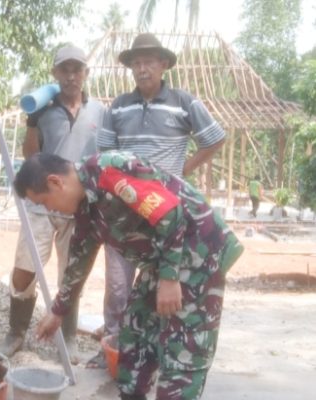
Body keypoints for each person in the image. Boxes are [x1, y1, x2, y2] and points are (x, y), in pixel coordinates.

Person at [15, 151, 243, 400]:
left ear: (55, 182)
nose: (49, 209)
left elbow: (171, 215)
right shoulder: (84, 205)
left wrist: (168, 278)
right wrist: (58, 310)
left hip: (199, 253)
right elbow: (80, 258)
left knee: (183, 349)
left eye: (44, 202)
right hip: (164, 260)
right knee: (136, 333)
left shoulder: (109, 172)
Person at [91, 33, 226, 369]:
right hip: (124, 213)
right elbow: (106, 156)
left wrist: (184, 170)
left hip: (168, 213)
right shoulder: (119, 106)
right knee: (119, 286)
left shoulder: (183, 102)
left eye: (149, 61)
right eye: (136, 62)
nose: (142, 68)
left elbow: (214, 138)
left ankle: (157, 354)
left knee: (165, 286)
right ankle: (115, 347)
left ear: (163, 65)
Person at [0, 44, 106, 364]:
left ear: (86, 73)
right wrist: (32, 121)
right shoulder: (43, 110)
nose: (71, 76)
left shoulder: (100, 112)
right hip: (42, 205)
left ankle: (68, 337)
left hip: (79, 205)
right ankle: (16, 333)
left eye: (77, 69)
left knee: (71, 273)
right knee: (24, 271)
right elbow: (31, 157)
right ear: (55, 74)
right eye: (64, 70)